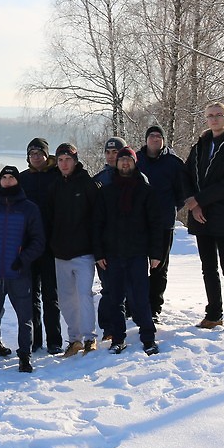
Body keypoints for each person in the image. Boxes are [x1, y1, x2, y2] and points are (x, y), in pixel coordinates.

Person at [0, 165, 45, 373]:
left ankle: (25, 356)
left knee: (24, 318)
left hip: (19, 272)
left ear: (17, 181)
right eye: (4, 177)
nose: (7, 180)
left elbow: (38, 241)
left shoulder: (29, 208)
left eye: (11, 177)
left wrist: (23, 259)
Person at [184, 101, 224, 332]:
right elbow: (186, 176)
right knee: (208, 268)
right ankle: (213, 315)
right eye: (210, 115)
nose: (214, 119)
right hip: (201, 216)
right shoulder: (200, 145)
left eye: (218, 115)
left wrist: (199, 200)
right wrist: (193, 205)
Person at [93, 147, 162, 355]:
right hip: (112, 253)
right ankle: (118, 338)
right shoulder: (106, 192)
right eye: (121, 160)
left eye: (128, 160)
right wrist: (99, 253)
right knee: (115, 299)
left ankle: (148, 338)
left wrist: (156, 253)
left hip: (137, 253)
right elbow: (97, 224)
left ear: (134, 163)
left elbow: (155, 224)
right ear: (116, 163)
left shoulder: (146, 191)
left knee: (140, 298)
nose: (124, 163)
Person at [46, 143, 99, 358]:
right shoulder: (55, 186)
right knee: (67, 300)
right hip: (60, 253)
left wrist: (98, 249)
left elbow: (97, 218)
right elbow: (49, 218)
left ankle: (89, 338)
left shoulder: (87, 184)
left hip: (84, 252)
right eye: (60, 160)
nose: (64, 163)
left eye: (68, 159)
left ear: (75, 161)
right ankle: (74, 339)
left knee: (84, 295)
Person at [135, 125, 186, 323]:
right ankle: (134, 305)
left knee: (159, 267)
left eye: (159, 136)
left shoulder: (173, 163)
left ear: (163, 140)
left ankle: (154, 307)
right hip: (138, 223)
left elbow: (182, 193)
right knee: (136, 266)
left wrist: (169, 208)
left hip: (164, 223)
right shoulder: (136, 160)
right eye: (151, 136)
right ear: (146, 139)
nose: (155, 139)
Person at [17, 138, 63, 354]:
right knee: (30, 295)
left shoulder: (56, 176)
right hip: (28, 245)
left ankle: (54, 340)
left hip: (51, 244)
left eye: (39, 153)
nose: (36, 157)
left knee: (50, 295)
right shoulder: (22, 178)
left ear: (47, 155)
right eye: (32, 154)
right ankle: (35, 340)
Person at [91, 136, 127, 337]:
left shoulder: (136, 177)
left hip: (129, 243)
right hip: (105, 244)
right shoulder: (98, 181)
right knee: (108, 287)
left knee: (127, 286)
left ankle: (125, 320)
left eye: (116, 152)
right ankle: (108, 327)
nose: (112, 156)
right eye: (108, 152)